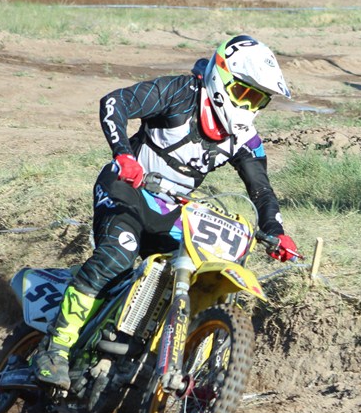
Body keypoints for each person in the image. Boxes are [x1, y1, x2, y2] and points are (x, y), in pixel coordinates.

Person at [33, 35, 299, 389]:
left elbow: (261, 188)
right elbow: (115, 102)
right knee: (118, 254)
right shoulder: (180, 92)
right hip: (124, 190)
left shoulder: (244, 137)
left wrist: (275, 229)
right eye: (244, 93)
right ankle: (55, 348)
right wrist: (124, 155)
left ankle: (168, 360)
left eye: (258, 99)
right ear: (222, 78)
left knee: (199, 267)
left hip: (170, 210)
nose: (249, 105)